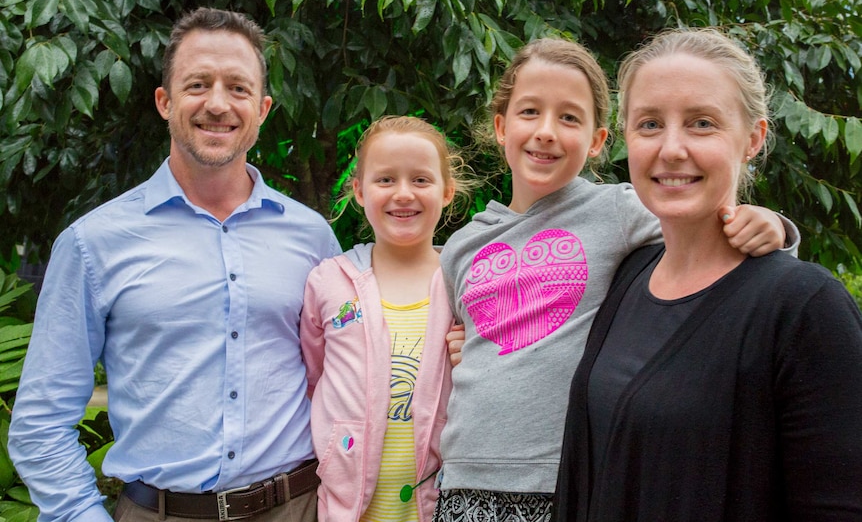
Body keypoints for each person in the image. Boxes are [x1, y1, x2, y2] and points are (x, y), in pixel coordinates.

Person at [433, 37, 799, 521]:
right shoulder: (461, 247)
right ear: (501, 127)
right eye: (529, 112)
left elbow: (704, 230)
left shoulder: (619, 210)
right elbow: (461, 346)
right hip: (464, 475)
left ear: (599, 140)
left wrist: (771, 225)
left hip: (563, 477)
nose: (546, 132)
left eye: (569, 118)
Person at [7, 7, 340, 522]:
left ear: (263, 108)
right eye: (197, 84)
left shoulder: (312, 236)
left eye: (238, 87)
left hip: (297, 508)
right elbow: (40, 422)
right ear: (164, 101)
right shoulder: (93, 243)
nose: (217, 103)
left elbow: (353, 367)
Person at [553, 28, 862, 520]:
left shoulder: (805, 308)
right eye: (650, 124)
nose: (671, 149)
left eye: (701, 123)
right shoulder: (628, 275)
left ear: (753, 139)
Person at [300, 116, 469, 522]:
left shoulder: (465, 283)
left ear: (447, 191)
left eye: (421, 180)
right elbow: (313, 376)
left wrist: (476, 355)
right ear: (358, 190)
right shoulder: (328, 282)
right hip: (345, 510)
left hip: (440, 507)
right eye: (386, 179)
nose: (404, 194)